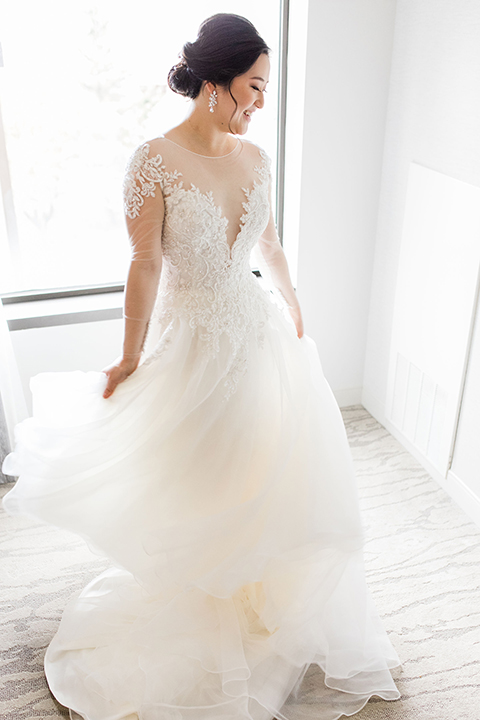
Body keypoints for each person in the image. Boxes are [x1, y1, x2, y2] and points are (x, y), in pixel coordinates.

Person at [2, 13, 401, 720]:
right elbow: (145, 264)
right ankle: (200, 599)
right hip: (191, 341)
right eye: (254, 86)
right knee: (198, 481)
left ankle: (255, 593)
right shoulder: (152, 161)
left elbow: (269, 243)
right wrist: (129, 355)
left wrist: (296, 305)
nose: (260, 102)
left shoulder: (256, 162)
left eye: (267, 89)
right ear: (216, 83)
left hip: (256, 336)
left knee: (265, 474)